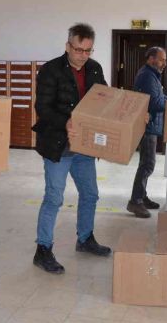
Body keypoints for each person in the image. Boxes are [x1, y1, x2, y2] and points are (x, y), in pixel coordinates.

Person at [31, 23, 112, 275]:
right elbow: (43, 108)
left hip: (84, 146)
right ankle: (43, 249)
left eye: (88, 50)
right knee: (54, 198)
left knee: (90, 194)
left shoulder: (95, 69)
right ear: (68, 46)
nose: (83, 55)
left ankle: (85, 238)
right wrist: (66, 122)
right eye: (78, 50)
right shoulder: (50, 70)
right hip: (58, 145)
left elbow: (105, 99)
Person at [126, 46, 167, 218]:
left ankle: (142, 197)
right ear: (151, 59)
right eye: (161, 59)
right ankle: (135, 202)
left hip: (150, 125)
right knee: (147, 164)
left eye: (165, 60)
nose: (164, 63)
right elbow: (154, 103)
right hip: (147, 126)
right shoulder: (147, 76)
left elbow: (158, 98)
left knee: (146, 162)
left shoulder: (153, 76)